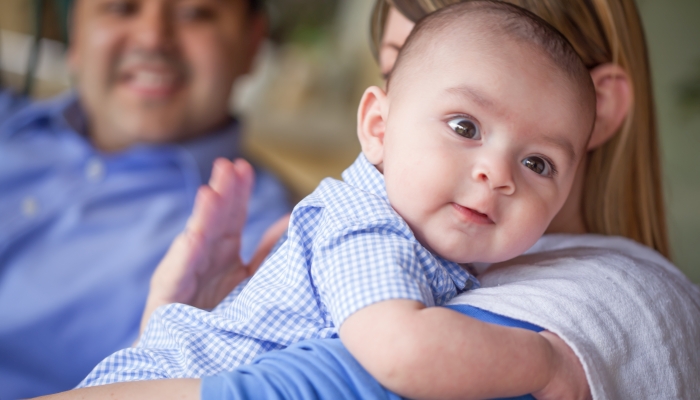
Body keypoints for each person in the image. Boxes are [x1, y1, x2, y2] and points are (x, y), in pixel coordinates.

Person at [36, 0, 700, 399]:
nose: (497, 174)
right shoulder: (365, 223)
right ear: (378, 123)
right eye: (463, 125)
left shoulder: (576, 286)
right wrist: (547, 360)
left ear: (598, 115)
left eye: (536, 162)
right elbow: (401, 351)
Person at [0, 0, 290, 398]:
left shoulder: (266, 249)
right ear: (77, 32)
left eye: (196, 13)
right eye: (121, 8)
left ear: (253, 42)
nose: (153, 39)